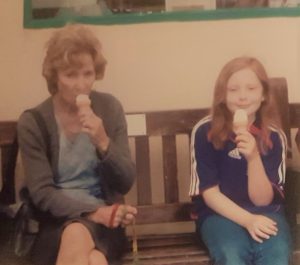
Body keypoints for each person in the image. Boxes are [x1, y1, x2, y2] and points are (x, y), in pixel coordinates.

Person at [17, 24, 137, 265]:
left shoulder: (110, 109)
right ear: (55, 77)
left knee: (79, 239)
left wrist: (103, 142)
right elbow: (42, 193)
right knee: (94, 259)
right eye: (70, 75)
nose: (81, 84)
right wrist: (93, 213)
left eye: (87, 73)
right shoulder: (34, 122)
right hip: (55, 222)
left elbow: (124, 182)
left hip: (107, 224)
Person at [189, 57, 292, 265]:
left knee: (276, 254)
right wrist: (247, 220)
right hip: (218, 214)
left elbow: (262, 201)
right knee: (232, 254)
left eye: (251, 88)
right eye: (233, 89)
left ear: (263, 94)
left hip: (264, 212)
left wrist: (253, 157)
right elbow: (209, 194)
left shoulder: (274, 136)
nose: (242, 97)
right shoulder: (204, 132)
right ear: (222, 95)